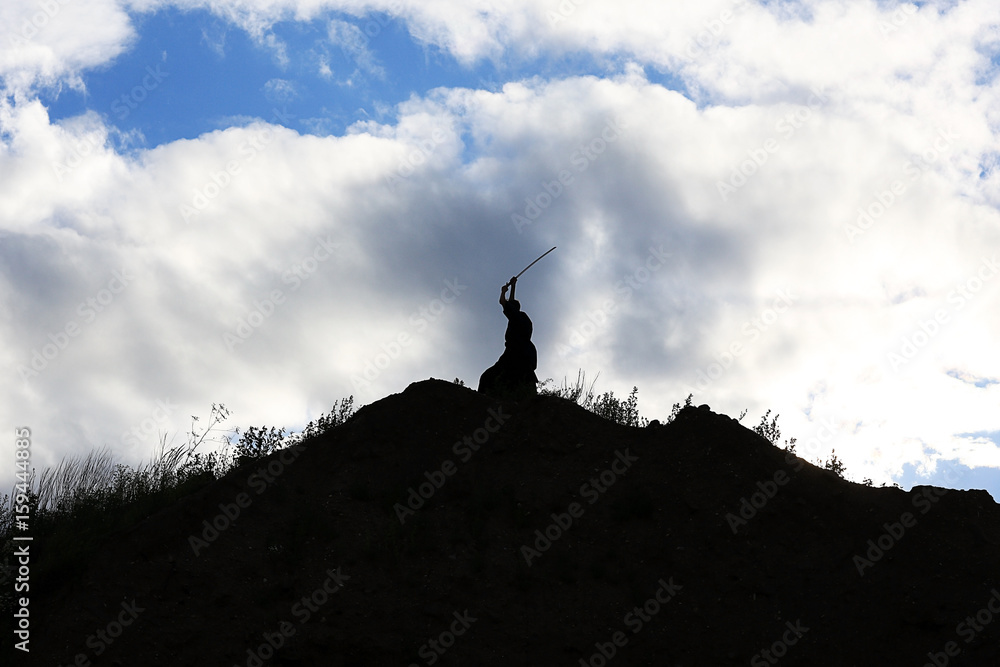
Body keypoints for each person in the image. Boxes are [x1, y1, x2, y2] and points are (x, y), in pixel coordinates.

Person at [478, 275, 538, 399]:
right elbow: (511, 305)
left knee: (487, 377)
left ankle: (482, 400)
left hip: (514, 353)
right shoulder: (522, 317)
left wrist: (503, 292)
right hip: (526, 352)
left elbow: (504, 303)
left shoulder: (516, 317)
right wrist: (514, 286)